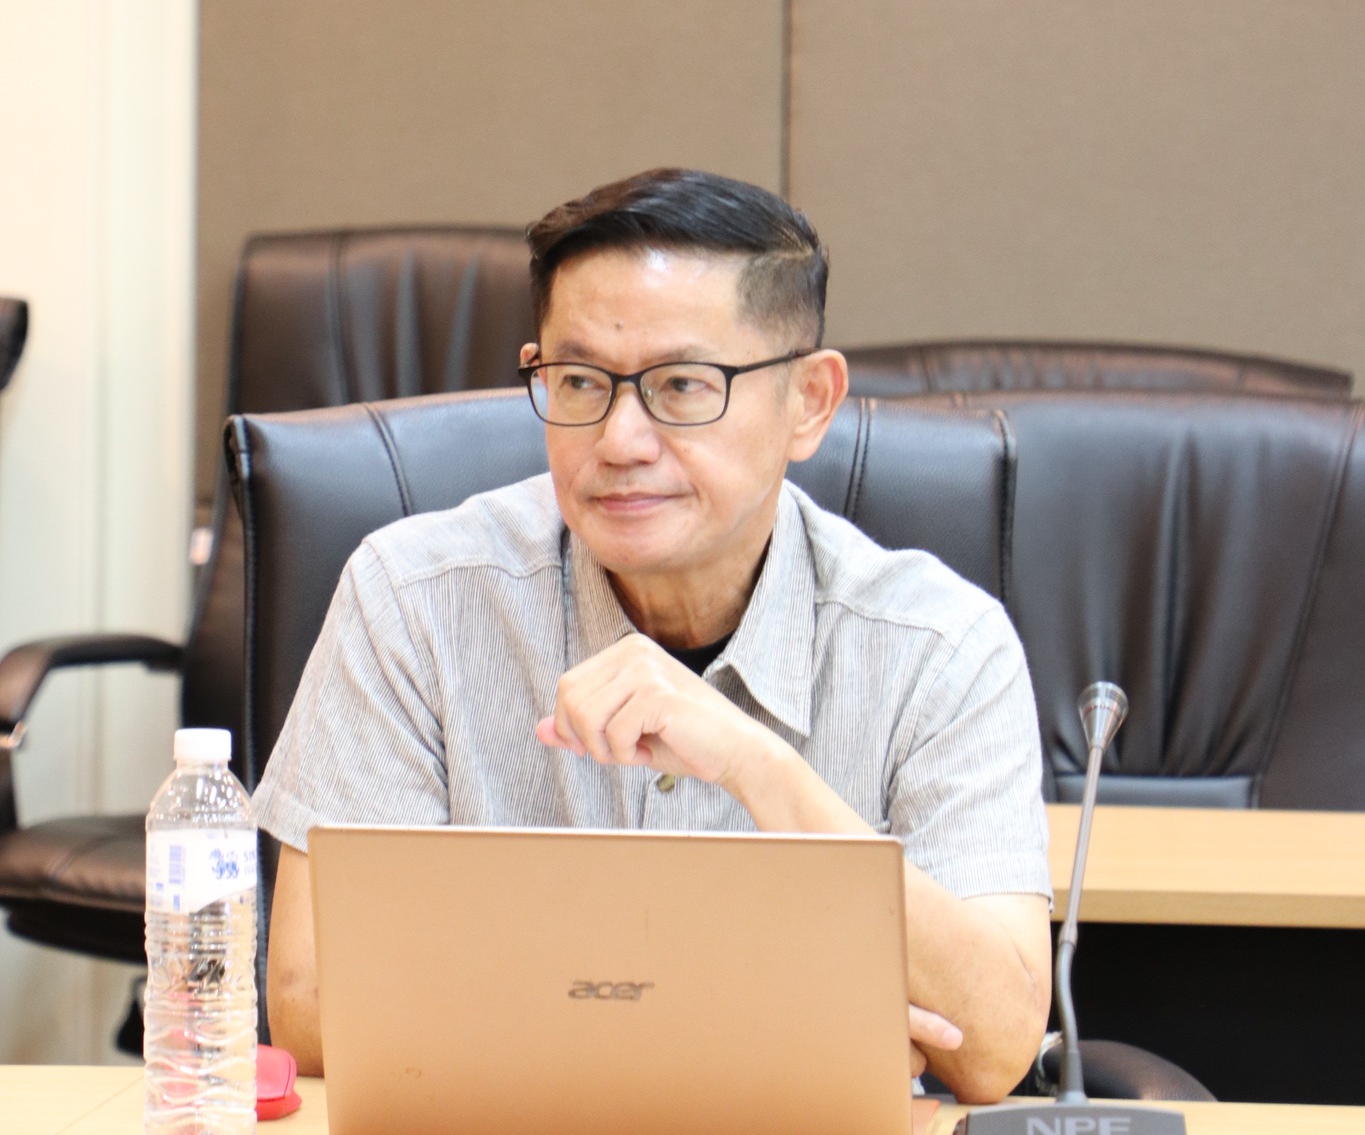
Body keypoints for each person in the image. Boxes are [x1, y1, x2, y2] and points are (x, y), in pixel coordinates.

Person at [258, 168, 1053, 1099]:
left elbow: (994, 1046)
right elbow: (310, 1003)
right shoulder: (412, 599)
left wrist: (757, 767)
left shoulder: (940, 646)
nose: (619, 441)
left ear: (809, 401)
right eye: (579, 381)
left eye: (681, 385)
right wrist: (770, 1019)